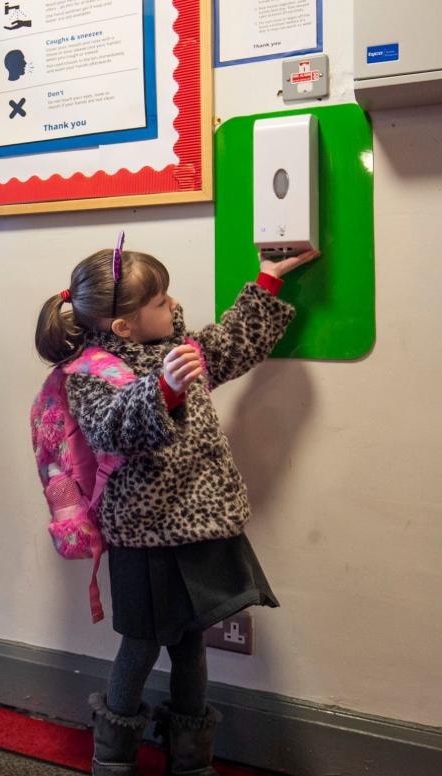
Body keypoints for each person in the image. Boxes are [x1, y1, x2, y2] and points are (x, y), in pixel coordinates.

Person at [34, 240, 319, 775]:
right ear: (124, 325)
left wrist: (268, 282)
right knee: (140, 646)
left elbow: (233, 343)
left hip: (203, 527)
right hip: (143, 538)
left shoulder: (181, 343)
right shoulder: (91, 373)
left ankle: (190, 758)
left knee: (192, 645)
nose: (174, 305)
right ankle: (112, 758)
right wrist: (162, 388)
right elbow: (111, 428)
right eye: (161, 301)